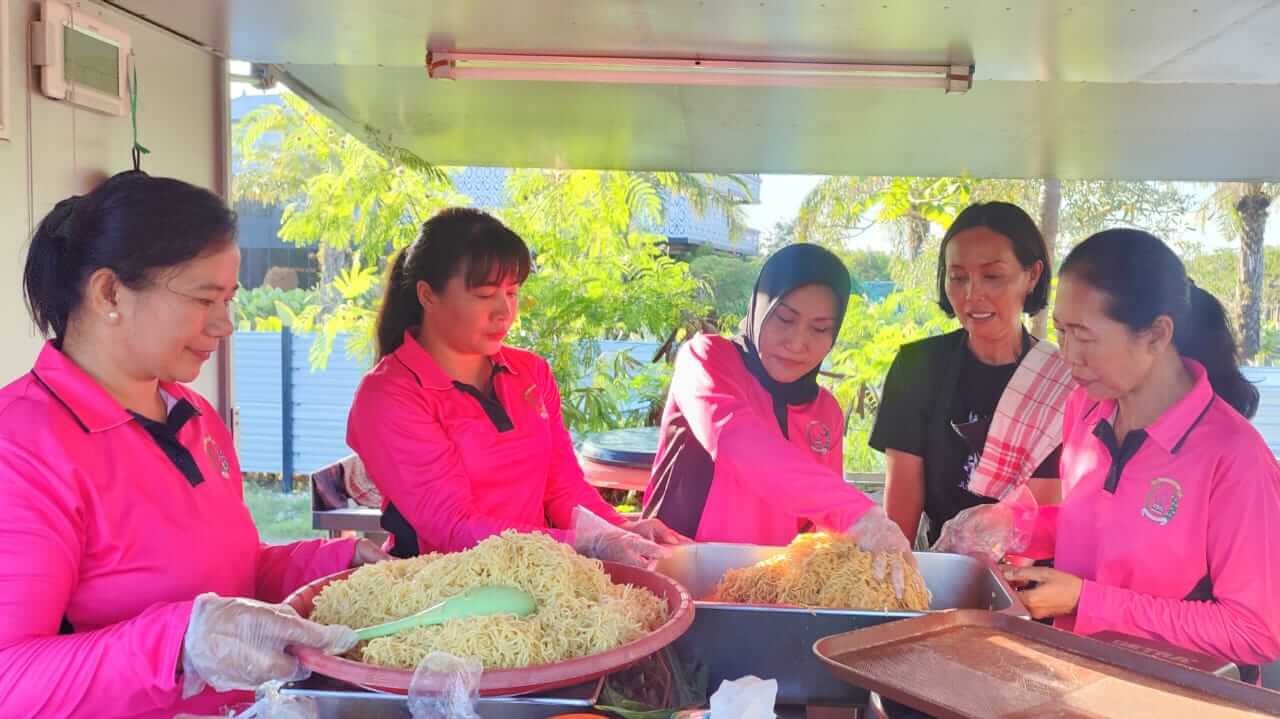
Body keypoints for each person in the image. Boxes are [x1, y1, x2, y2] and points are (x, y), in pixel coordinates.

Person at [0, 172, 387, 719]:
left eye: (228, 299)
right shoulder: (23, 446)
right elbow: (10, 679)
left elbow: (231, 573)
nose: (225, 324)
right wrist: (179, 645)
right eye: (205, 299)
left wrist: (336, 564)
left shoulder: (194, 415)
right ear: (109, 292)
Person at [944, 229, 1280, 682]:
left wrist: (1087, 600)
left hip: (1171, 696)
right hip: (1075, 677)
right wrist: (1015, 526)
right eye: (1061, 332)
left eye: (1084, 336)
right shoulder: (1085, 410)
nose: (1068, 356)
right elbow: (1108, 521)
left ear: (1157, 335)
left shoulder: (1234, 457)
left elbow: (1254, 631)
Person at [347, 208, 683, 565]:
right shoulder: (390, 396)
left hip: (538, 573)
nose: (504, 311)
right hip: (443, 585)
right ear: (428, 296)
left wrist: (622, 530)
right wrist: (586, 544)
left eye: (512, 292)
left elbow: (563, 488)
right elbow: (453, 527)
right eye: (485, 295)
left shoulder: (530, 372)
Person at [641, 243, 910, 562]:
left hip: (771, 585)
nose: (797, 343)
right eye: (784, 319)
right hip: (679, 571)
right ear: (759, 307)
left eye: (820, 328)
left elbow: (820, 526)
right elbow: (736, 439)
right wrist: (857, 511)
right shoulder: (707, 360)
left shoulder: (825, 411)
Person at [870, 202, 1072, 550]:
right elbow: (901, 508)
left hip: (1034, 573)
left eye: (992, 276)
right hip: (942, 564)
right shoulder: (917, 367)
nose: (971, 295)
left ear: (1032, 275)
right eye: (958, 277)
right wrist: (899, 568)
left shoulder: (1061, 381)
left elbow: (1045, 513)